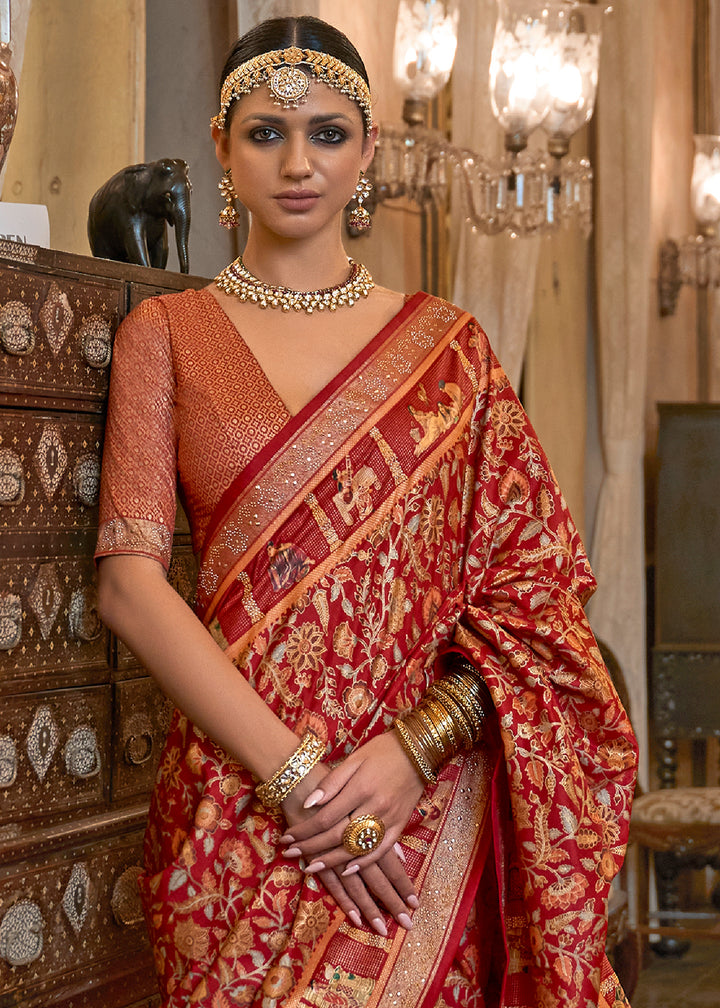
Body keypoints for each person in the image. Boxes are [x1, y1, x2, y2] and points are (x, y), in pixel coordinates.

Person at [95, 15, 637, 1008]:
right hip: (236, 815)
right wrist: (300, 781)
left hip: (422, 814)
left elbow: (536, 601)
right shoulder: (166, 333)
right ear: (221, 145)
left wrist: (412, 752)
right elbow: (129, 585)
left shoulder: (450, 352)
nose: (298, 163)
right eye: (266, 132)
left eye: (328, 133)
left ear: (369, 149)